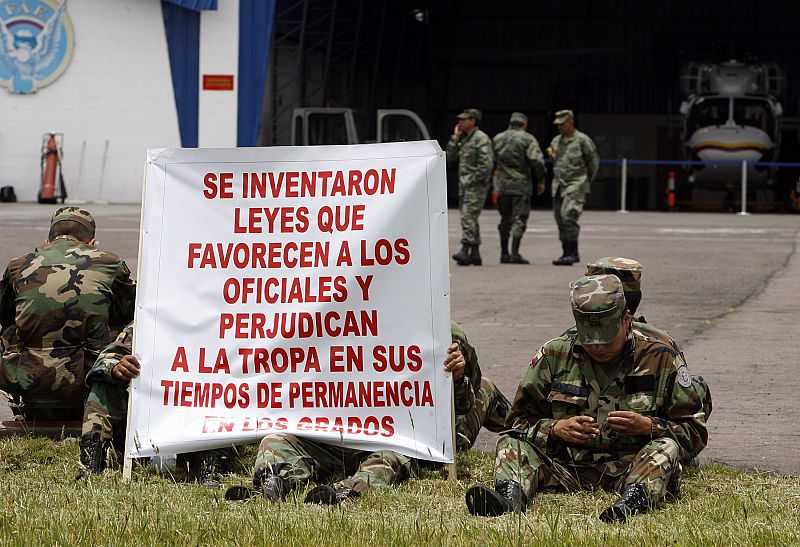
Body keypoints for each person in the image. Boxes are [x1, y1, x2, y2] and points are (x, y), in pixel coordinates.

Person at [465, 275, 708, 522]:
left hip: (633, 466)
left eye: (606, 338)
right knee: (510, 444)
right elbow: (516, 424)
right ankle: (508, 500)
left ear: (627, 320)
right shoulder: (554, 355)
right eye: (589, 339)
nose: (598, 347)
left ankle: (630, 504)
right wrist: (555, 429)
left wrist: (648, 427)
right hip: (566, 467)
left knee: (665, 448)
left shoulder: (660, 357)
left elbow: (695, 432)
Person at [240, 323, 477, 505]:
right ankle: (273, 482)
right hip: (329, 435)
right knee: (275, 441)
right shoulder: (327, 321)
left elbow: (460, 409)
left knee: (388, 460)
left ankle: (345, 491)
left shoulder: (429, 332)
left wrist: (454, 378)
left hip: (389, 437)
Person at [0, 207, 135, 421]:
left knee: (11, 322)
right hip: (88, 385)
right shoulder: (109, 263)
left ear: (47, 241)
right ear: (91, 243)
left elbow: (4, 313)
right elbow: (130, 310)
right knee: (132, 326)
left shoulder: (18, 265)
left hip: (29, 386)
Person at [77, 323, 233, 484]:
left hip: (196, 430)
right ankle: (91, 461)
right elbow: (108, 357)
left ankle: (211, 467)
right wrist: (115, 367)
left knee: (221, 391)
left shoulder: (220, 322)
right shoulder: (149, 318)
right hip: (141, 432)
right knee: (102, 385)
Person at [492, 112, 546, 264]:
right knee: (518, 219)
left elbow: (491, 160)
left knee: (504, 219)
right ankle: (514, 253)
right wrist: (541, 180)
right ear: (524, 125)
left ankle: (504, 253)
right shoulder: (528, 139)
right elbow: (537, 161)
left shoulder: (498, 138)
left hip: (502, 185)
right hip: (520, 185)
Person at [548, 110, 599, 266]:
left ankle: (572, 252)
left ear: (571, 122)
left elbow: (593, 162)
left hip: (576, 184)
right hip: (559, 185)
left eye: (562, 124)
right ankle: (567, 252)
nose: (560, 127)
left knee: (569, 215)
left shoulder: (582, 140)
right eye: (558, 125)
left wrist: (585, 181)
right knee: (560, 219)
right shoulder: (556, 141)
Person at [446, 108, 493, 266]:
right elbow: (450, 157)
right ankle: (475, 253)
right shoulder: (465, 139)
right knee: (471, 218)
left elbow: (485, 165)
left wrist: (473, 180)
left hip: (475, 186)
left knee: (467, 217)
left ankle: (465, 249)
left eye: (464, 119)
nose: (460, 122)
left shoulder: (481, 139)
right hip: (465, 185)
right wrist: (455, 138)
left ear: (472, 121)